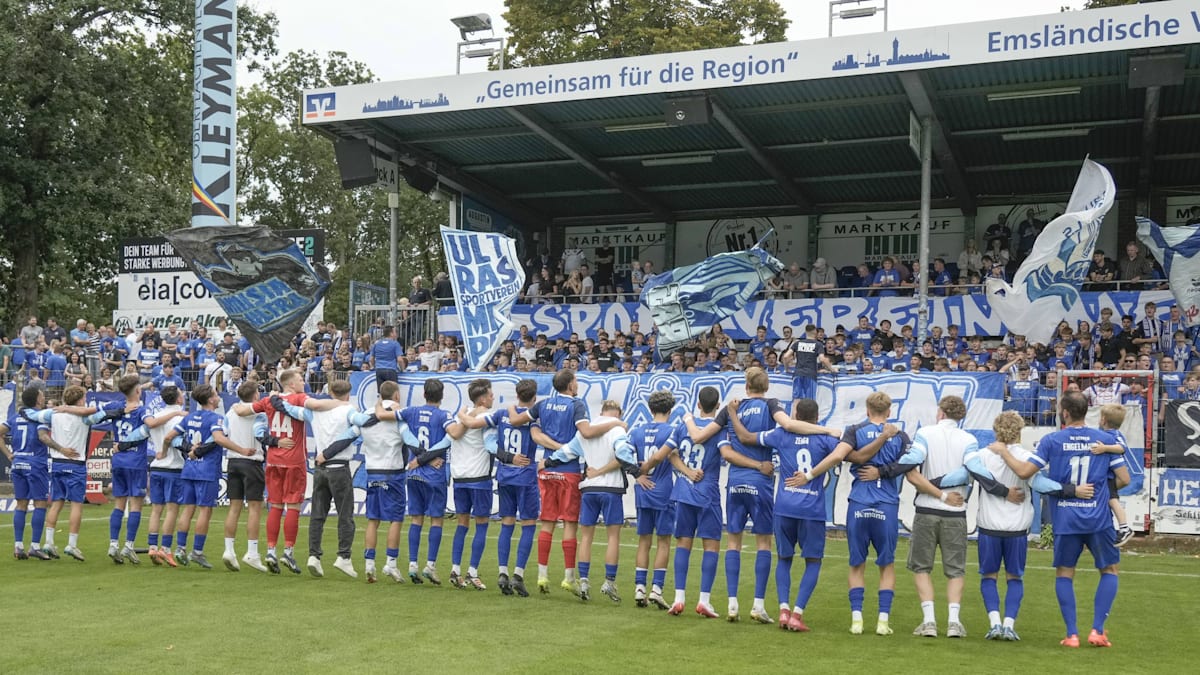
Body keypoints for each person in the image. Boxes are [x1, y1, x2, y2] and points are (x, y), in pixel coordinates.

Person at [1005, 391, 1130, 648]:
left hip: (1065, 518)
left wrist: (1003, 453)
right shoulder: (1104, 440)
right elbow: (1125, 479)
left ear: (1064, 413)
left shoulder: (1052, 440)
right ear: (1087, 412)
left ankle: (1072, 634)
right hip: (1098, 519)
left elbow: (1026, 472)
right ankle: (1097, 630)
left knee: (1065, 573)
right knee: (1109, 570)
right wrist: (1103, 491)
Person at [505, 369, 626, 596]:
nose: (577, 384)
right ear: (571, 385)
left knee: (547, 523)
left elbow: (515, 420)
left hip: (547, 470)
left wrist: (512, 408)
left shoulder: (543, 405)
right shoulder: (577, 405)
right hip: (569, 470)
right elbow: (587, 432)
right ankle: (569, 578)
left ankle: (542, 575)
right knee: (570, 524)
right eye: (576, 381)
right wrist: (614, 424)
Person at [729, 398, 840, 633]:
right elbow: (848, 453)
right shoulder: (826, 439)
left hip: (784, 507)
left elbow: (746, 437)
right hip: (812, 509)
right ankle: (797, 615)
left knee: (784, 559)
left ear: (795, 415)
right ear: (817, 418)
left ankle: (783, 610)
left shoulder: (781, 435)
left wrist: (733, 414)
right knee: (813, 561)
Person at [542, 399, 638, 603]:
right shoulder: (618, 429)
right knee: (613, 537)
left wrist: (547, 462)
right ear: (618, 413)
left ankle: (584, 580)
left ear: (601, 412)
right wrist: (636, 470)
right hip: (611, 488)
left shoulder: (587, 429)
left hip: (589, 488)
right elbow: (623, 453)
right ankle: (609, 581)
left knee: (586, 537)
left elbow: (566, 452)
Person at [833, 392, 911, 636]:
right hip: (886, 505)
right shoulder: (900, 436)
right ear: (889, 412)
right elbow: (908, 465)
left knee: (857, 563)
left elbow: (850, 457)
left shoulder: (855, 430)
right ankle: (882, 622)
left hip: (859, 503)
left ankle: (857, 620)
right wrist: (885, 469)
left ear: (867, 410)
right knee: (886, 564)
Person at [275, 380, 363, 579]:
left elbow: (290, 410)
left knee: (317, 514)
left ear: (330, 392)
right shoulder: (349, 410)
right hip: (339, 467)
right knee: (345, 514)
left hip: (320, 469)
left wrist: (276, 399)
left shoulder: (316, 411)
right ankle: (344, 557)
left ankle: (314, 556)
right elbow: (362, 423)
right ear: (348, 394)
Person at [164, 384, 255, 570]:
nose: (218, 395)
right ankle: (197, 552)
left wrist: (183, 449)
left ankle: (180, 548)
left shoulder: (190, 417)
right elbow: (219, 439)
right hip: (206, 470)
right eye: (215, 393)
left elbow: (169, 437)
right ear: (211, 399)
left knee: (188, 509)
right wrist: (242, 450)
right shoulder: (216, 418)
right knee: (205, 510)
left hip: (189, 469)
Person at [0, 384, 95, 560]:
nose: (44, 397)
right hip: (36, 463)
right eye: (42, 395)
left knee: (21, 505)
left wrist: (9, 454)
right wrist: (61, 448)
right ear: (37, 398)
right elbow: (43, 437)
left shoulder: (16, 417)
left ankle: (18, 545)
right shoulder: (42, 418)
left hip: (19, 462)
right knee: (41, 504)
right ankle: (36, 546)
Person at [467, 378, 539, 597]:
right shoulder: (535, 416)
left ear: (517, 395)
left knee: (507, 523)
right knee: (528, 524)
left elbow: (473, 424)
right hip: (525, 475)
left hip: (505, 475)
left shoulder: (500, 415)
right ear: (534, 397)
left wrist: (463, 414)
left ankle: (502, 572)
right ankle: (518, 574)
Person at [234, 368, 310, 574]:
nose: (304, 383)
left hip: (274, 460)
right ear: (291, 384)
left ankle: (270, 551)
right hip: (294, 460)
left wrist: (236, 406)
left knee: (275, 506)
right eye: (301, 380)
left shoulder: (268, 401)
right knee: (293, 507)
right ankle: (288, 551)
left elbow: (241, 411)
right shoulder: (300, 399)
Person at [667, 386, 725, 618]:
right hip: (707, 492)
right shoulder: (719, 429)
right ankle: (704, 600)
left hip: (683, 490)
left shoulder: (683, 425)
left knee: (683, 543)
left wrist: (687, 472)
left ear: (698, 405)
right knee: (710, 546)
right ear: (717, 406)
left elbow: (671, 454)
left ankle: (678, 598)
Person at [357, 381, 419, 583]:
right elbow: (410, 440)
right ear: (397, 396)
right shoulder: (397, 415)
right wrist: (426, 456)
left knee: (373, 520)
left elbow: (349, 435)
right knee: (395, 519)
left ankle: (369, 564)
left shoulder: (366, 414)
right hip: (393, 472)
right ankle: (391, 564)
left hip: (372, 471)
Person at [43, 385, 111, 561]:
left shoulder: (55, 414)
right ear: (80, 400)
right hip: (76, 463)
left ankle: (48, 542)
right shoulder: (85, 417)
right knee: (76, 505)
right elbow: (105, 411)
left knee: (56, 503)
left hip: (57, 462)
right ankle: (72, 545)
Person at [397, 378, 454, 585]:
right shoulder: (444, 415)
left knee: (416, 519)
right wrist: (430, 458)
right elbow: (450, 438)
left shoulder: (410, 411)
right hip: (434, 475)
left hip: (414, 473)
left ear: (424, 394)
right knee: (436, 520)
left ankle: (412, 564)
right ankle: (430, 565)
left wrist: (420, 458)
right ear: (442, 395)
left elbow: (397, 423)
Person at [444, 379, 499, 591]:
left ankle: (455, 569)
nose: (493, 397)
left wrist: (463, 414)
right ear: (483, 398)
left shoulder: (461, 417)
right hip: (479, 477)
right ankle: (472, 572)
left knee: (462, 523)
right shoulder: (486, 416)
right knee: (482, 524)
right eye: (491, 394)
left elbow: (456, 433)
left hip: (460, 478)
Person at [625, 390, 678, 609]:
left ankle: (639, 589)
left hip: (643, 491)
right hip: (664, 490)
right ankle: (656, 589)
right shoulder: (673, 431)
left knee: (644, 540)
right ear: (670, 409)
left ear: (650, 409)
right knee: (664, 541)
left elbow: (623, 457)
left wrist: (638, 475)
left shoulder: (636, 432)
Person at [219, 381, 279, 573]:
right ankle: (252, 553)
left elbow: (224, 434)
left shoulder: (230, 412)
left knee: (234, 508)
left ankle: (229, 550)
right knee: (254, 508)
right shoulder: (258, 414)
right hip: (251, 461)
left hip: (233, 461)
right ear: (255, 396)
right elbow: (258, 433)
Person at [145, 386, 188, 567]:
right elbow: (174, 440)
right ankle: (166, 548)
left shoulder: (157, 416)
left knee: (156, 510)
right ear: (178, 399)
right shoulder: (180, 418)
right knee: (172, 510)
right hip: (173, 467)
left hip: (156, 468)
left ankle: (152, 546)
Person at [1091, 404, 1135, 547]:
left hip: (1109, 476)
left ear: (1103, 420)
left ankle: (1124, 528)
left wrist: (1105, 448)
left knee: (1113, 500)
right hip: (1106, 477)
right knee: (1108, 499)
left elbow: (1122, 448)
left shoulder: (1114, 435)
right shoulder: (1102, 433)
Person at [369, 325, 402, 391]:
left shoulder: (377, 344)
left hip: (379, 370)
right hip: (391, 370)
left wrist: (373, 366)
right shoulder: (395, 344)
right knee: (393, 393)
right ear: (391, 333)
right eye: (395, 332)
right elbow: (400, 360)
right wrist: (402, 369)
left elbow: (371, 359)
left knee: (382, 393)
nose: (396, 334)